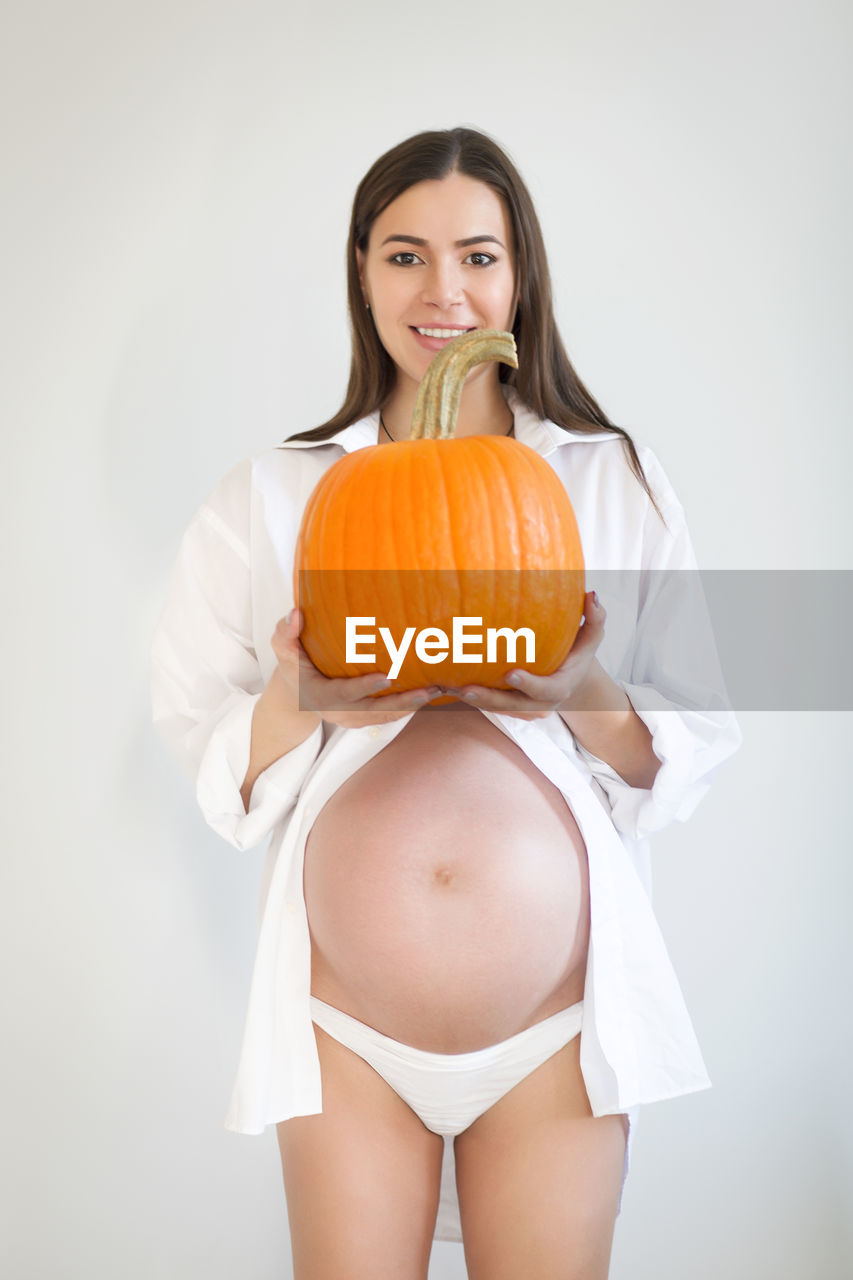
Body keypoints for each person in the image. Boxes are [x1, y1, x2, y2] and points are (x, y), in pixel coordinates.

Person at [151, 127, 740, 1279]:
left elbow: (697, 737)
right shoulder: (270, 494)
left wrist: (580, 691)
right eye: (405, 257)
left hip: (558, 1032)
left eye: (478, 256)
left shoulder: (608, 477)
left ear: (521, 277)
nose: (445, 292)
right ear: (360, 271)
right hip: (344, 1033)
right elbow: (196, 737)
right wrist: (299, 697)